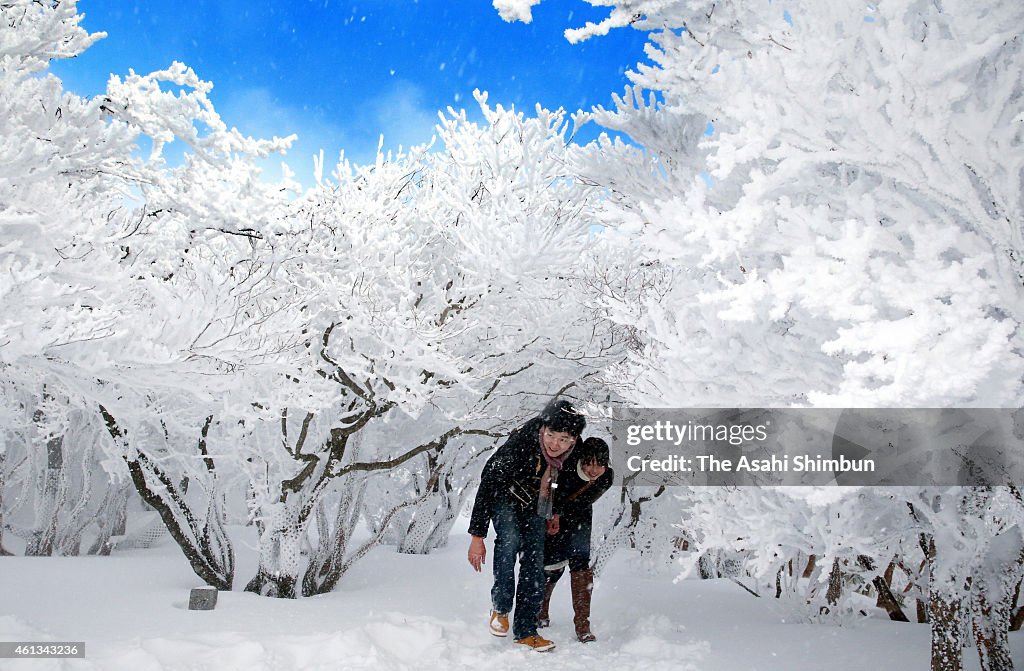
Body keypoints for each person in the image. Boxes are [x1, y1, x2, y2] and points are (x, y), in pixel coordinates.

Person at [467, 399, 586, 652]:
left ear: (573, 440)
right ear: (543, 428)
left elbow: (564, 485)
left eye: (563, 439)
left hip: (537, 503)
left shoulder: (574, 453)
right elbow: (488, 483)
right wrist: (477, 535)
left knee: (535, 561)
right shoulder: (521, 444)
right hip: (504, 496)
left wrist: (555, 512)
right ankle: (500, 609)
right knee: (509, 541)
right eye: (551, 435)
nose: (555, 444)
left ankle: (525, 630)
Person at [537, 436, 613, 643]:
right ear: (581, 460)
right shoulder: (567, 467)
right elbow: (556, 492)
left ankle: (582, 624)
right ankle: (541, 610)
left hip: (580, 518)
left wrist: (571, 513)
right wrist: (556, 514)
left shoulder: (607, 477)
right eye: (588, 463)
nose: (593, 470)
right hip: (555, 515)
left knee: (581, 565)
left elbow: (587, 499)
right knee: (552, 565)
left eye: (599, 464)